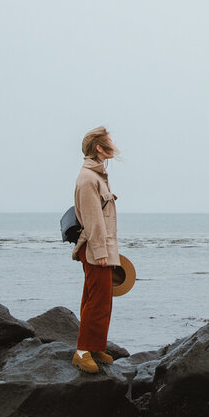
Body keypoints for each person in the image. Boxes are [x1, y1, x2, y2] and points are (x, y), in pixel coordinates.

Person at [71, 126, 120, 373]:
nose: (114, 146)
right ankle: (82, 352)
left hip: (101, 246)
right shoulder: (88, 178)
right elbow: (92, 219)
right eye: (109, 142)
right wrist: (101, 252)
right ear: (99, 148)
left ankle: (94, 346)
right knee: (97, 301)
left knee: (99, 298)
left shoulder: (97, 176)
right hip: (94, 248)